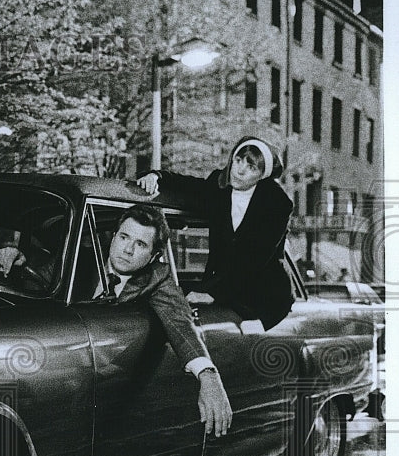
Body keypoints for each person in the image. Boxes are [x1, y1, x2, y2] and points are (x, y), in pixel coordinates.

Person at [96, 204, 233, 437]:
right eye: (124, 237)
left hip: (110, 384)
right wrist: (13, 259)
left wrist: (208, 375)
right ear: (114, 236)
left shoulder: (158, 277)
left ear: (153, 256)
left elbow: (179, 321)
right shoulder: (80, 259)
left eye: (140, 244)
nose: (127, 249)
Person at [136, 136, 294, 331]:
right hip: (226, 288)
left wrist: (215, 293)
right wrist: (156, 176)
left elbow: (255, 259)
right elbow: (188, 185)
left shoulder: (277, 203)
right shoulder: (220, 185)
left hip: (264, 298)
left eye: (251, 167)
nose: (240, 170)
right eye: (238, 160)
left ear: (262, 176)